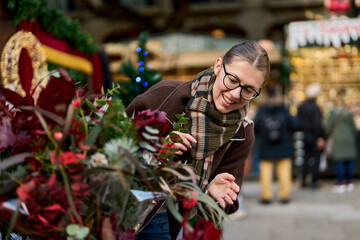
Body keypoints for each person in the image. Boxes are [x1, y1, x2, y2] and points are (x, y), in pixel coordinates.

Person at [125, 41, 270, 240]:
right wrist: (157, 149)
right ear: (218, 66)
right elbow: (113, 142)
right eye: (232, 80)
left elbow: (224, 205)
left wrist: (210, 193)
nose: (235, 94)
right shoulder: (167, 95)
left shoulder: (243, 131)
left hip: (164, 220)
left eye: (249, 90)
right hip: (121, 204)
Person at [254, 85, 299, 204]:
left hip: (265, 146)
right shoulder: (283, 108)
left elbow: (255, 126)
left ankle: (266, 195)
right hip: (283, 145)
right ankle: (284, 195)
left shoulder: (262, 109)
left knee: (266, 172)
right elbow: (295, 124)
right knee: (284, 171)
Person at [325, 90, 358, 193]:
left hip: (338, 139)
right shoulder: (348, 113)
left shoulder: (332, 113)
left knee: (340, 161)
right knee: (349, 161)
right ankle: (349, 182)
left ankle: (341, 182)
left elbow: (328, 128)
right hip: (349, 139)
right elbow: (353, 128)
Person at [297, 83, 325, 189]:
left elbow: (298, 121)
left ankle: (303, 180)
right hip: (314, 135)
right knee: (316, 158)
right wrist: (320, 136)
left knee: (306, 158)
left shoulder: (301, 107)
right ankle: (313, 180)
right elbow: (317, 124)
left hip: (305, 135)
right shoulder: (316, 108)